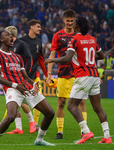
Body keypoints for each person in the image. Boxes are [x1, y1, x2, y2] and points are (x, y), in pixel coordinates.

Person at [45, 16, 112, 144]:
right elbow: (102, 56)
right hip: (94, 76)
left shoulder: (75, 39)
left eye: (74, 23)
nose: (73, 25)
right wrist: (89, 59)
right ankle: (107, 136)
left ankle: (86, 132)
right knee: (98, 107)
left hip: (83, 76)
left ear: (77, 26)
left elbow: (67, 58)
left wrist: (52, 59)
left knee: (71, 106)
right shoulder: (92, 39)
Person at [0, 30, 55, 146]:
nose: (11, 37)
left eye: (11, 36)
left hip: (25, 87)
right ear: (1, 39)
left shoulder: (18, 57)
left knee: (50, 113)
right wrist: (15, 86)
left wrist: (33, 83)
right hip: (12, 88)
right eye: (7, 35)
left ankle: (39, 140)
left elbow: (25, 76)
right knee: (11, 116)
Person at [46, 9, 87, 139]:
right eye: (68, 21)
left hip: (78, 73)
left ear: (75, 21)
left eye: (72, 21)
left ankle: (84, 131)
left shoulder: (80, 36)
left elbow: (85, 56)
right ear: (63, 20)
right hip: (63, 73)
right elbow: (52, 55)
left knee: (81, 102)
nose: (70, 23)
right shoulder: (57, 36)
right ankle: (60, 131)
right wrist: (48, 74)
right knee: (61, 102)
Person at [4, 26, 37, 134]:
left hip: (19, 78)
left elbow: (29, 58)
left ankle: (32, 122)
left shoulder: (21, 44)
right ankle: (19, 128)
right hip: (9, 78)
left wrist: (25, 74)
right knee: (15, 103)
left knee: (21, 102)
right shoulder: (7, 45)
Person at [20, 19, 48, 130]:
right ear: (31, 27)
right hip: (22, 77)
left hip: (34, 76)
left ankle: (35, 124)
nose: (40, 28)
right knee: (17, 100)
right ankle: (12, 124)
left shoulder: (38, 42)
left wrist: (46, 74)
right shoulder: (21, 41)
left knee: (37, 100)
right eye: (38, 26)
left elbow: (41, 59)